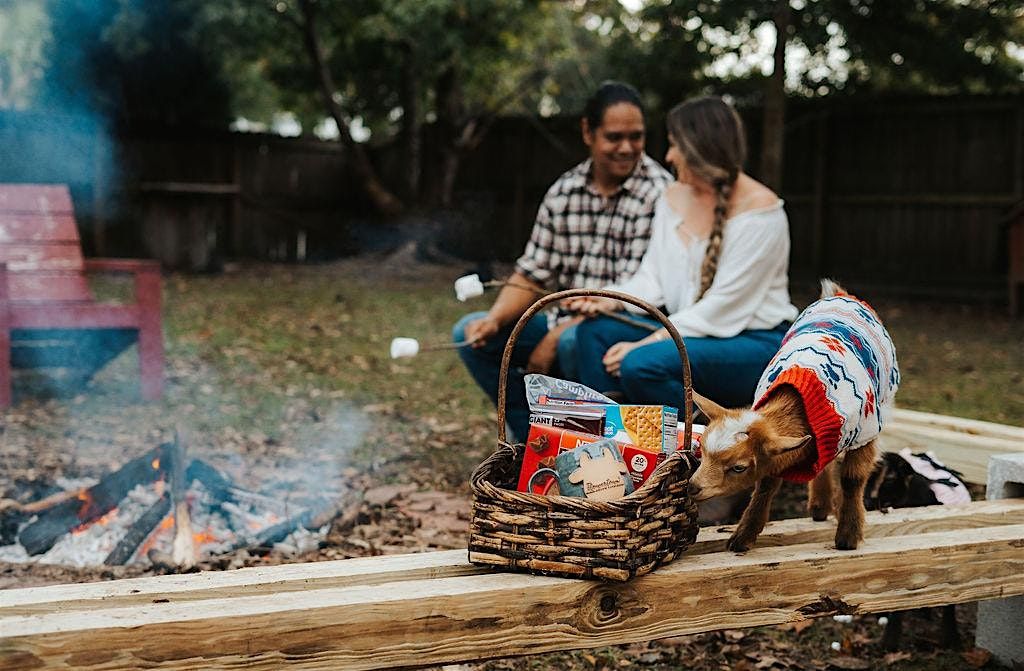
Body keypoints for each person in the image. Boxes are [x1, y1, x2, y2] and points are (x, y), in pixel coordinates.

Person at [453, 81, 672, 442]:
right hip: (567, 320)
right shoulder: (564, 191)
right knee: (469, 332)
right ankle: (534, 441)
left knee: (575, 342)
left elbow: (642, 299)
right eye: (615, 137)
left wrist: (558, 334)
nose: (627, 148)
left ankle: (598, 450)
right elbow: (531, 271)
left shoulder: (659, 193)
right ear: (588, 131)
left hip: (631, 327)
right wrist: (495, 319)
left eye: (637, 137)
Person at [567, 95, 799, 411]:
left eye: (675, 145)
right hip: (688, 334)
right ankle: (611, 442)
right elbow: (653, 279)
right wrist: (608, 297)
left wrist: (649, 342)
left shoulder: (762, 213)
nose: (669, 155)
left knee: (640, 364)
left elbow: (722, 309)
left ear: (698, 150)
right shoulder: (672, 197)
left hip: (752, 342)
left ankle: (697, 443)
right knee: (593, 333)